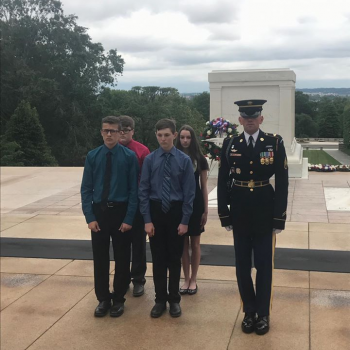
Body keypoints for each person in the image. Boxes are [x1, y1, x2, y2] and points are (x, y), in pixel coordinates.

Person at [217, 100, 288, 335]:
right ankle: (249, 311)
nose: (249, 120)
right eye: (245, 116)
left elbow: (283, 181)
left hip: (264, 210)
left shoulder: (274, 143)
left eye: (254, 116)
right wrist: (224, 213)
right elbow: (222, 179)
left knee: (264, 265)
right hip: (239, 210)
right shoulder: (230, 143)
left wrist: (279, 217)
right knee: (242, 264)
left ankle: (263, 314)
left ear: (261, 119)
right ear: (239, 120)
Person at [81, 116, 139, 318]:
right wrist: (90, 216)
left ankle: (119, 299)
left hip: (121, 212)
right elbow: (86, 189)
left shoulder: (129, 157)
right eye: (105, 130)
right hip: (99, 213)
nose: (109, 134)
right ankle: (103, 299)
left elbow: (134, 190)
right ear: (101, 132)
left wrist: (129, 218)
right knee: (100, 258)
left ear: (120, 132)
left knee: (123, 259)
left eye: (113, 131)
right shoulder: (93, 156)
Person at [139, 119, 196, 318]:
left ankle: (174, 300)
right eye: (159, 135)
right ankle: (159, 300)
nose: (163, 138)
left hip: (176, 212)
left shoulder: (184, 160)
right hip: (155, 212)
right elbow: (143, 190)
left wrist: (185, 220)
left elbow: (190, 193)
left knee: (174, 258)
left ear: (174, 135)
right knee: (158, 259)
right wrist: (147, 219)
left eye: (166, 135)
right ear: (156, 135)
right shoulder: (150, 159)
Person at [118, 115, 150, 297]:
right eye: (120, 130)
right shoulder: (113, 150)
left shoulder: (142, 151)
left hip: (137, 204)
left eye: (127, 130)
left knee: (138, 245)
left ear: (133, 131)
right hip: (119, 204)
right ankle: (122, 279)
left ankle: (138, 279)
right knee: (121, 245)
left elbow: (146, 181)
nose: (123, 133)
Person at [175, 125, 209, 295]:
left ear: (193, 139)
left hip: (195, 204)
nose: (185, 140)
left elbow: (203, 186)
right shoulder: (174, 157)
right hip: (179, 203)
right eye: (182, 137)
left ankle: (194, 279)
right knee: (183, 244)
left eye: (188, 137)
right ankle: (186, 278)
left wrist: (206, 209)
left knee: (195, 243)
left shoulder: (199, 159)